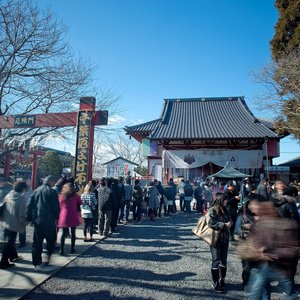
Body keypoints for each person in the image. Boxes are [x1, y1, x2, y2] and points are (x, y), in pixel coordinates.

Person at [247, 200, 300, 299]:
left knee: (258, 293)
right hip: (266, 266)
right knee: (258, 293)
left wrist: (272, 253)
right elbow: (255, 243)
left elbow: (293, 249)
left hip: (280, 267)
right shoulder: (261, 225)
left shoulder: (287, 225)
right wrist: (258, 250)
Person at [26, 175, 60, 271]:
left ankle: (37, 262)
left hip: (37, 220)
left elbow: (29, 205)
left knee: (37, 242)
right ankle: (47, 260)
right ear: (51, 181)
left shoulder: (36, 191)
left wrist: (29, 217)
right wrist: (57, 217)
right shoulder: (52, 192)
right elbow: (55, 207)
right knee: (51, 241)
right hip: (49, 220)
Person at [206, 193, 232, 293]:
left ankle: (222, 279)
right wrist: (224, 224)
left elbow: (229, 218)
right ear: (221, 200)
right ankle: (215, 281)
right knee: (216, 260)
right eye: (225, 200)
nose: (226, 202)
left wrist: (230, 222)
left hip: (225, 238)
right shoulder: (212, 210)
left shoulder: (225, 209)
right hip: (215, 239)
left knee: (224, 260)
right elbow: (210, 223)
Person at [0, 180, 28, 269]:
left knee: (9, 242)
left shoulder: (9, 195)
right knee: (9, 243)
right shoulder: (21, 199)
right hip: (15, 224)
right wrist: (25, 223)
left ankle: (13, 256)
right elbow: (21, 215)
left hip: (6, 222)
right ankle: (3, 262)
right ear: (23, 189)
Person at [57, 182, 82, 255]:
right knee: (73, 232)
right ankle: (72, 248)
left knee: (63, 233)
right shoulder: (75, 196)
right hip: (73, 215)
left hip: (63, 215)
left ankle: (61, 250)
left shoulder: (61, 196)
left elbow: (59, 205)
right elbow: (80, 202)